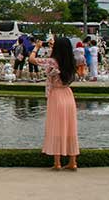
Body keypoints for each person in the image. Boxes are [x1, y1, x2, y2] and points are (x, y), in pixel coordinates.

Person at [29, 36, 79, 171]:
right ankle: (72, 161)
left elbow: (31, 60)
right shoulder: (72, 61)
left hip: (56, 96)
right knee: (70, 128)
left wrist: (37, 47)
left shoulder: (52, 61)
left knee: (56, 127)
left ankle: (57, 162)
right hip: (68, 95)